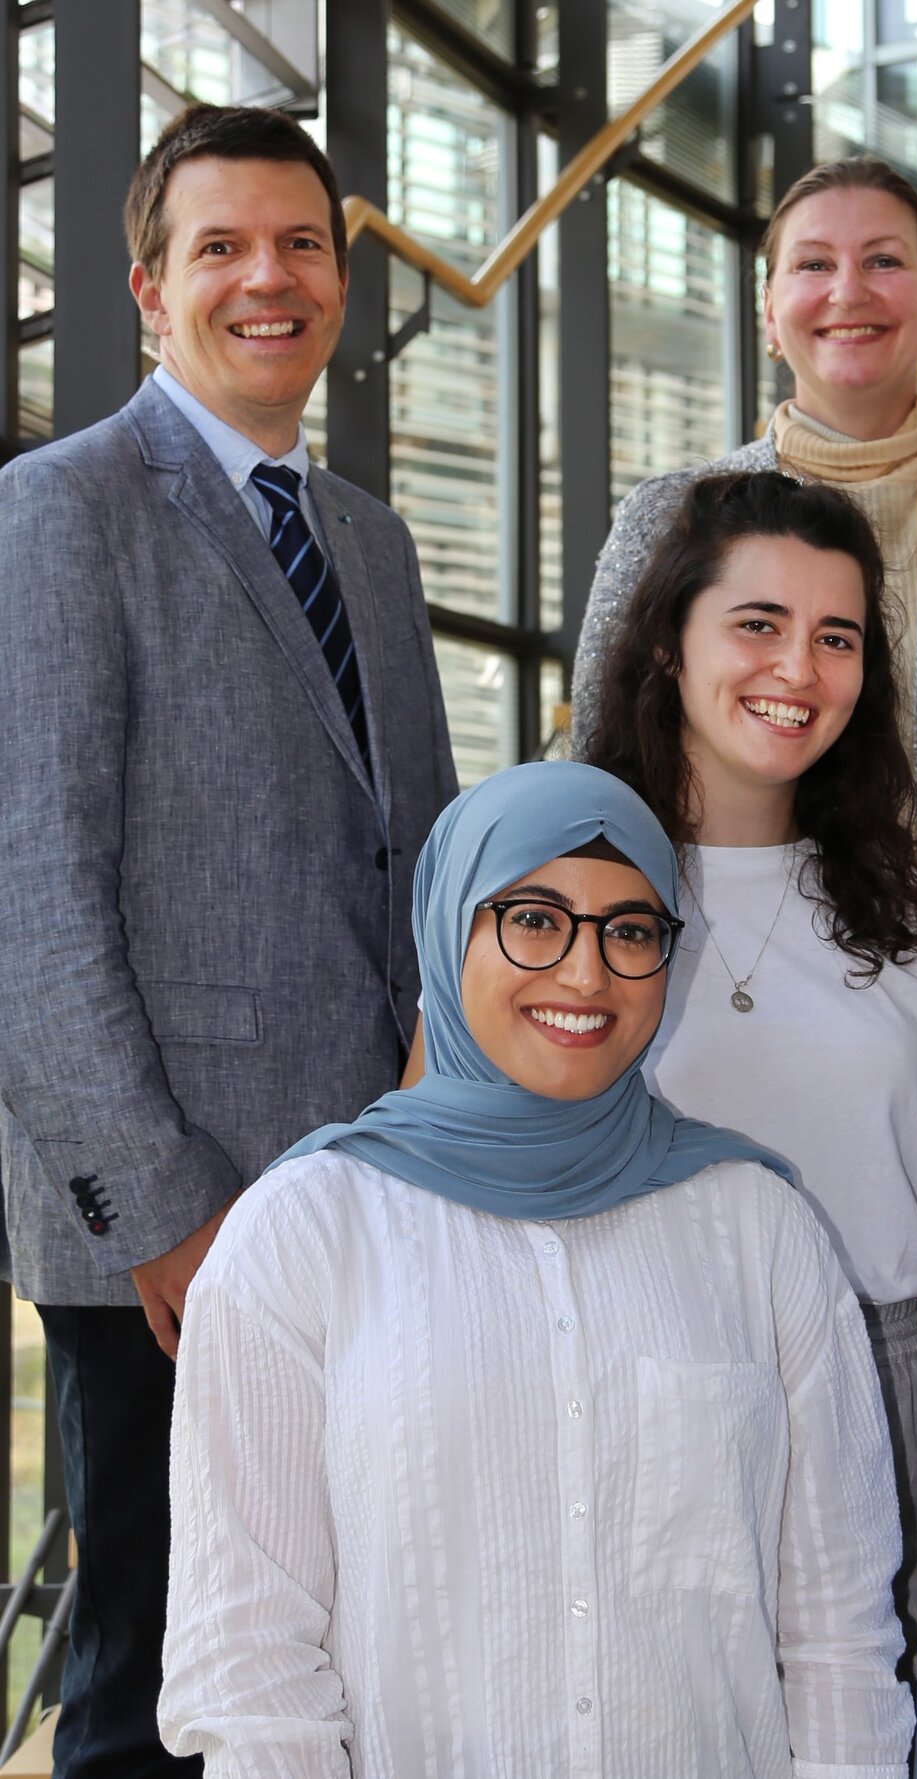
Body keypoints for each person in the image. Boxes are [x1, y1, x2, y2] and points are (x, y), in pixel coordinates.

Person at [159, 761, 913, 1775]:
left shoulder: (760, 1229)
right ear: (448, 932)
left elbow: (840, 1642)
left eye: (629, 930)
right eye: (533, 919)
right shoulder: (303, 1236)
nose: (586, 974)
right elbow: (249, 1667)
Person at [0, 105, 456, 1776]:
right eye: (222, 247)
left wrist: (436, 1135)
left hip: (367, 1206)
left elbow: (417, 866)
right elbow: (30, 895)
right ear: (148, 289)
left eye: (302, 243)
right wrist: (163, 1212)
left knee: (343, 1662)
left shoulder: (373, 544)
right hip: (169, 1246)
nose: (270, 276)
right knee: (153, 1692)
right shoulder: (59, 510)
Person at [571, 157, 917, 1232]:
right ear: (767, 312)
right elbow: (600, 767)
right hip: (711, 1043)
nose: (848, 291)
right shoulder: (668, 518)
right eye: (813, 265)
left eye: (883, 261)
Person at [580, 468, 917, 1668]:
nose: (799, 670)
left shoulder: (910, 905)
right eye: (757, 624)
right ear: (668, 643)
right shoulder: (559, 881)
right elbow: (441, 1184)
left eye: (836, 638)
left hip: (889, 1398)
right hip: (638, 1392)